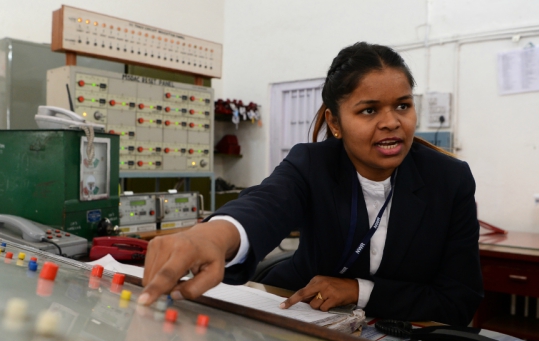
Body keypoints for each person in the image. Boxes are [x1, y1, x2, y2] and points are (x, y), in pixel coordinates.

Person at [138, 42, 483, 326]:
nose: (391, 122)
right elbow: (268, 203)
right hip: (301, 316)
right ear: (335, 122)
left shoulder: (449, 180)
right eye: (368, 110)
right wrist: (213, 236)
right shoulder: (313, 164)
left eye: (402, 106)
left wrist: (358, 290)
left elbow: (457, 302)